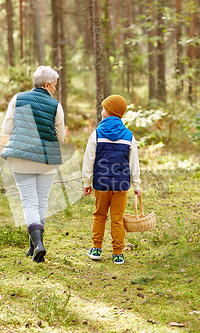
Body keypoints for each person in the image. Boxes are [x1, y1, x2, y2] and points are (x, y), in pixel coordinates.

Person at [0, 66, 65, 263]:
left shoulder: (18, 98)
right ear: (46, 85)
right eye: (54, 85)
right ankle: (36, 244)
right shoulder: (56, 105)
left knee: (29, 202)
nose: (54, 89)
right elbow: (61, 137)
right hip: (46, 159)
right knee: (41, 201)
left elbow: (6, 128)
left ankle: (36, 245)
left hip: (21, 157)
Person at [81, 95, 141, 265]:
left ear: (110, 111)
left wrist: (87, 182)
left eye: (104, 108)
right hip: (121, 184)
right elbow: (133, 163)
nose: (101, 110)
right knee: (117, 217)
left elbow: (88, 160)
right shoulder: (129, 135)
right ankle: (118, 253)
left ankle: (96, 248)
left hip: (102, 183)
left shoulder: (97, 134)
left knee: (100, 215)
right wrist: (136, 184)